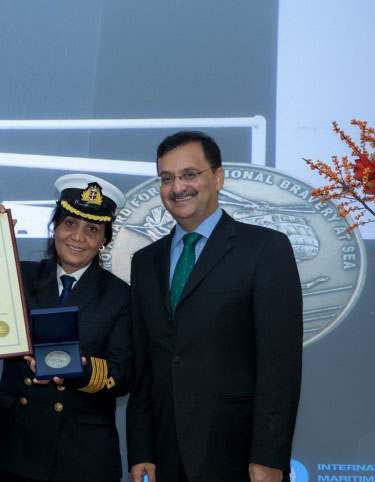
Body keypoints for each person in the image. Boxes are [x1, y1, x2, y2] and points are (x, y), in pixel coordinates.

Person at [126, 131, 303, 482]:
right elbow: (145, 366)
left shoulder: (265, 249)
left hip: (239, 458)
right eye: (166, 178)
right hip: (165, 455)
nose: (177, 187)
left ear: (218, 178)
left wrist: (270, 457)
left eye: (189, 174)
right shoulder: (145, 262)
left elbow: (279, 365)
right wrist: (141, 448)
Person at [0, 174, 134, 482]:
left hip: (83, 452)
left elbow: (124, 373)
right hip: (20, 444)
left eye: (92, 229)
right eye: (70, 224)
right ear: (55, 228)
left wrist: (77, 369)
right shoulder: (17, 275)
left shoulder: (121, 296)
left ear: (105, 240)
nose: (78, 237)